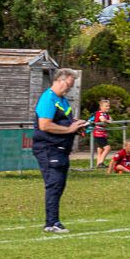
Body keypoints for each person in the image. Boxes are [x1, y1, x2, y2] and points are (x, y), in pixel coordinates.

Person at [34, 68, 84, 234]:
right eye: (68, 85)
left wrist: (77, 125)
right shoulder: (48, 98)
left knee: (59, 185)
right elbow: (45, 125)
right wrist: (69, 129)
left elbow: (63, 121)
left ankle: (52, 221)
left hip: (61, 149)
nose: (69, 88)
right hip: (49, 148)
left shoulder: (62, 100)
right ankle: (52, 223)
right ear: (59, 80)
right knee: (54, 184)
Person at [89, 98, 115, 168]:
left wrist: (109, 119)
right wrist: (108, 121)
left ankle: (98, 164)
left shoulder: (105, 114)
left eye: (108, 106)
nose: (108, 107)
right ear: (101, 107)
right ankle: (101, 163)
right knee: (108, 148)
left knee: (100, 150)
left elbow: (111, 119)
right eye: (106, 106)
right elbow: (102, 119)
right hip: (98, 134)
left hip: (102, 134)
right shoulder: (99, 113)